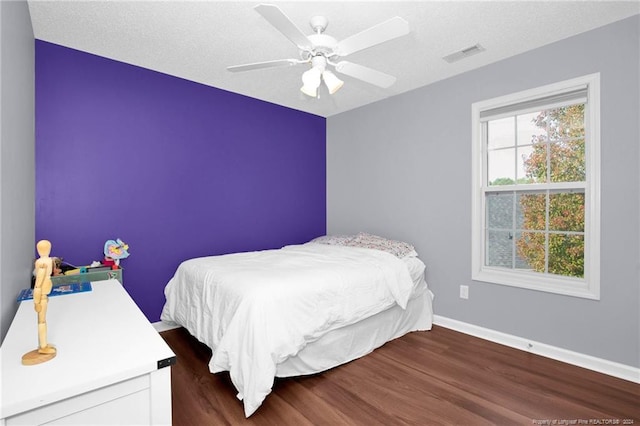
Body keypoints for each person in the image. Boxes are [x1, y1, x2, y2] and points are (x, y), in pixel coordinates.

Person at [33, 240, 56, 355]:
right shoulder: (44, 263)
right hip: (41, 294)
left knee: (42, 320)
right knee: (42, 321)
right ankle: (43, 346)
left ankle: (44, 344)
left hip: (43, 294)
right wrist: (36, 301)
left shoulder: (43, 261)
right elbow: (38, 283)